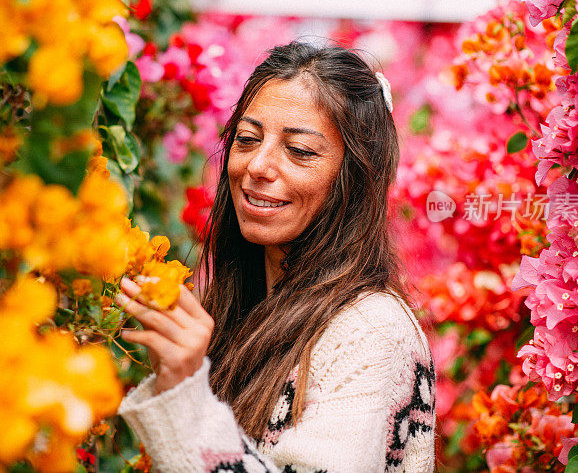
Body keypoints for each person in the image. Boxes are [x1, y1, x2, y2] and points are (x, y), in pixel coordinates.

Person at [115, 41, 436, 472]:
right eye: (247, 140)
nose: (258, 166)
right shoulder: (242, 310)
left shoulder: (371, 332)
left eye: (299, 151)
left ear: (356, 176)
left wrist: (186, 397)